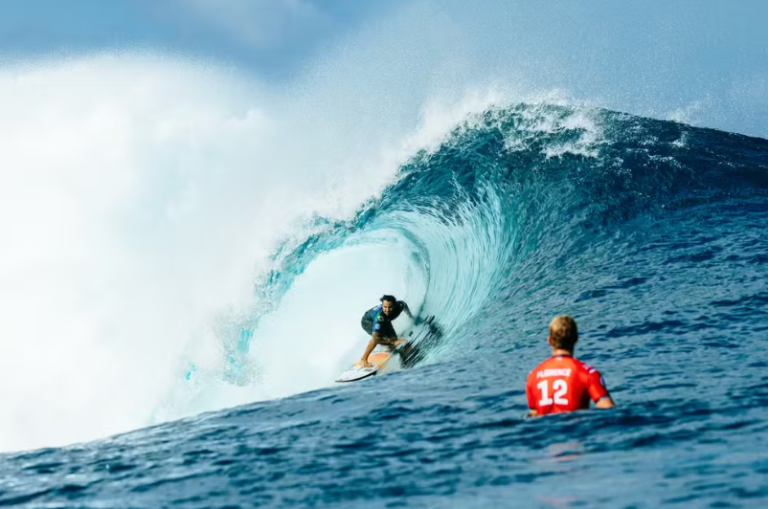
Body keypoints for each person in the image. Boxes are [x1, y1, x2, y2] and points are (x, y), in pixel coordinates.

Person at [526, 315, 615, 417]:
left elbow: (533, 418)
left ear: (550, 341)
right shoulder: (588, 373)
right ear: (576, 339)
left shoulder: (533, 376)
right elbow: (609, 411)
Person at [358, 295, 414, 368]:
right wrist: (392, 342)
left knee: (393, 338)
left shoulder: (400, 305)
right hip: (368, 321)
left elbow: (405, 305)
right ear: (382, 305)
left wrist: (411, 317)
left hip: (385, 320)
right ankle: (363, 359)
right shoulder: (379, 317)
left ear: (394, 305)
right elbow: (376, 338)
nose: (387, 309)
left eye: (390, 307)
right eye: (385, 307)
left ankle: (400, 356)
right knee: (378, 337)